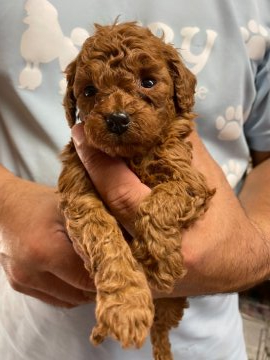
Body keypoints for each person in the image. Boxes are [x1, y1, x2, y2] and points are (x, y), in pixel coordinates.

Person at [0, 0, 269, 359]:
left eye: (147, 82)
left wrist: (255, 247)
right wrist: (5, 205)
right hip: (30, 338)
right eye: (91, 92)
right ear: (73, 104)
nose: (116, 112)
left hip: (206, 341)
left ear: (180, 88)